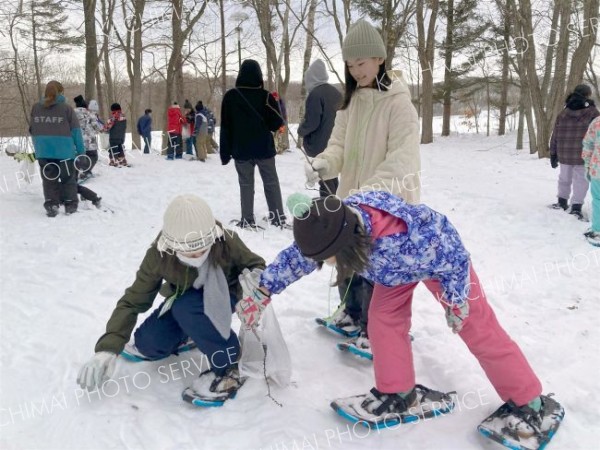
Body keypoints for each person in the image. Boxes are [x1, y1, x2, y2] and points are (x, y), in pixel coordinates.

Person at [239, 191, 563, 440]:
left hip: (442, 264)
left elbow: (452, 254)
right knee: (382, 320)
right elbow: (302, 255)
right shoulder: (336, 222)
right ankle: (398, 391)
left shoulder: (411, 241)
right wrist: (264, 290)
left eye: (332, 259)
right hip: (392, 272)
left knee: (475, 326)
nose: (330, 264)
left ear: (349, 246)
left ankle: (529, 401)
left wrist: (456, 299)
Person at [77, 194, 266, 405]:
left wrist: (255, 278)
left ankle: (230, 364)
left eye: (202, 251)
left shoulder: (226, 239)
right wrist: (107, 348)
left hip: (222, 296)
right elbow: (133, 300)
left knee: (188, 306)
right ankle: (193, 334)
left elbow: (255, 264)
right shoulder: (159, 254)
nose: (197, 257)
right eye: (188, 253)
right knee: (149, 343)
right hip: (183, 302)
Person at [303, 20, 421, 357]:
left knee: (377, 266)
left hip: (387, 203)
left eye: (362, 63)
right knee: (348, 258)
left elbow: (403, 160)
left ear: (380, 59)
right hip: (353, 198)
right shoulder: (351, 102)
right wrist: (322, 163)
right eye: (351, 66)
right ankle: (352, 313)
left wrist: (369, 195)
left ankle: (377, 330)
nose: (356, 71)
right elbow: (338, 145)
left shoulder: (399, 105)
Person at [220, 59, 289, 229]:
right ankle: (277, 218)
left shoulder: (230, 96)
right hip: (264, 149)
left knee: (245, 184)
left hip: (241, 150)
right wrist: (276, 107)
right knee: (271, 182)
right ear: (259, 75)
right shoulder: (266, 97)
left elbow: (226, 127)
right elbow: (277, 123)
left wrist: (225, 152)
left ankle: (247, 219)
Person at [29, 80, 85, 217]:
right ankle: (70, 204)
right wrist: (81, 152)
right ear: (60, 92)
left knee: (49, 179)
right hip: (64, 151)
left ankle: (51, 204)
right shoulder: (66, 109)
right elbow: (76, 131)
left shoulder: (36, 108)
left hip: (43, 151)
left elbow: (32, 129)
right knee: (68, 179)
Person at [549, 84, 599, 219]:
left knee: (564, 178)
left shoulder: (563, 112)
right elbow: (596, 134)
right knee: (581, 181)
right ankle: (576, 207)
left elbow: (555, 133)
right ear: (587, 95)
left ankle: (562, 201)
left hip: (564, 152)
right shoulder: (593, 113)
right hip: (583, 153)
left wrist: (553, 153)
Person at [297, 59, 342, 197]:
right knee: (332, 176)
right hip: (335, 141)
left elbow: (312, 122)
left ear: (312, 78)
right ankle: (338, 203)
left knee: (324, 178)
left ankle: (329, 210)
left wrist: (301, 130)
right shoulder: (336, 93)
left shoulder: (315, 95)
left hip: (321, 142)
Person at [73, 95, 103, 180]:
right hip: (90, 141)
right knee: (93, 156)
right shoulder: (90, 113)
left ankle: (76, 173)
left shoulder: (71, 113)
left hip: (77, 140)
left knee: (79, 157)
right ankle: (86, 171)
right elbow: (97, 127)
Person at [582, 116, 600, 246]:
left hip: (597, 169)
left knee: (598, 201)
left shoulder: (597, 122)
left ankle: (598, 231)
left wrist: (587, 165)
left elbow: (587, 144)